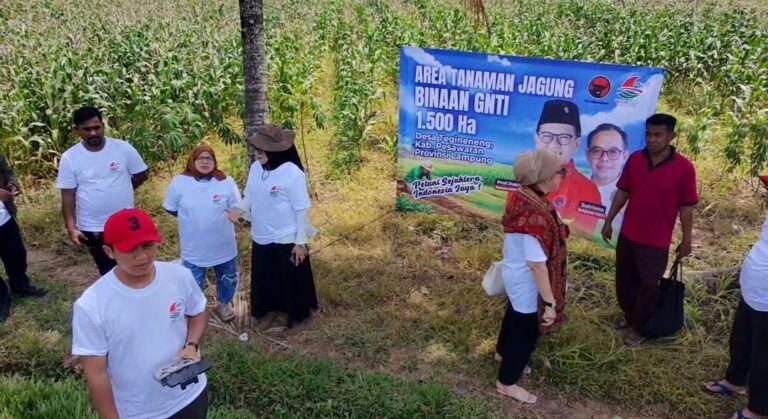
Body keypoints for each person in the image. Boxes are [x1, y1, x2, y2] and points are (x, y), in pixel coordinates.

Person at [72, 208, 208, 419]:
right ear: (109, 252)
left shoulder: (179, 276)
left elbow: (198, 312)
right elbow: (96, 374)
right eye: (130, 249)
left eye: (147, 245)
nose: (142, 256)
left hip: (190, 394)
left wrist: (192, 344)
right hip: (138, 410)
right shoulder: (91, 305)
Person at [601, 113, 698, 345]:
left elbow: (686, 208)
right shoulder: (635, 159)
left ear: (671, 136)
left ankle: (641, 327)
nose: (652, 139)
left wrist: (686, 240)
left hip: (656, 241)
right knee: (625, 280)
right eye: (648, 134)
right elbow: (623, 191)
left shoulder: (684, 168)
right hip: (628, 234)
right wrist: (609, 220)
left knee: (649, 285)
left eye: (658, 135)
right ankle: (629, 315)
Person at [496, 149, 569, 404]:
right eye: (560, 171)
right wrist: (549, 302)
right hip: (526, 279)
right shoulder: (534, 214)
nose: (564, 174)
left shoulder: (525, 196)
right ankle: (506, 382)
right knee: (526, 331)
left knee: (514, 316)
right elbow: (537, 265)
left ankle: (502, 353)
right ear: (545, 176)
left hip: (515, 274)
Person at [227, 124, 318, 330]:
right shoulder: (256, 168)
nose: (257, 153)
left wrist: (300, 243)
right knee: (266, 274)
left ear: (276, 151)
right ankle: (268, 310)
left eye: (262, 150)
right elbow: (250, 195)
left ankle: (296, 314)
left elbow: (301, 210)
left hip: (287, 236)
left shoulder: (292, 173)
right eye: (256, 149)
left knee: (289, 276)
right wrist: (238, 210)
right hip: (261, 233)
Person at [56, 106, 149, 275]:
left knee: (133, 263)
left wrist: (122, 189)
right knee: (107, 271)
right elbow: (68, 195)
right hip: (93, 226)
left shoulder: (122, 148)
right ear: (77, 130)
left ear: (103, 126)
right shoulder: (70, 157)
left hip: (126, 221)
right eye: (87, 129)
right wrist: (71, 228)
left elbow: (141, 174)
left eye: (97, 127)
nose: (93, 133)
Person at [703, 181, 768, 419]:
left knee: (763, 356)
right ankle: (735, 380)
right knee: (741, 339)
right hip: (753, 290)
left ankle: (759, 409)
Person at [163, 145, 241, 322]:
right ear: (192, 160)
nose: (205, 162)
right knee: (193, 281)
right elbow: (171, 208)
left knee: (227, 278)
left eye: (209, 158)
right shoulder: (180, 182)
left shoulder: (226, 181)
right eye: (200, 158)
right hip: (194, 246)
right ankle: (197, 309)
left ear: (214, 161)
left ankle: (224, 303)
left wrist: (236, 213)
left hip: (223, 244)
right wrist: (193, 219)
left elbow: (237, 207)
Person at [533, 100, 602, 239]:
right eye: (547, 136)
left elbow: (580, 238)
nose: (554, 145)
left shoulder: (587, 189)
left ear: (577, 143)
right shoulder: (523, 178)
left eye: (564, 137)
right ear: (537, 138)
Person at [0, 153, 47, 323]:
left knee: (16, 255)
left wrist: (12, 184)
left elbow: (7, 171)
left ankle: (20, 286)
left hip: (4, 218)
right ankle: (1, 299)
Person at [585, 123, 630, 244]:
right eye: (597, 151)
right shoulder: (572, 184)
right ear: (587, 155)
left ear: (625, 156)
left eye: (613, 151)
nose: (604, 158)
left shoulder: (633, 194)